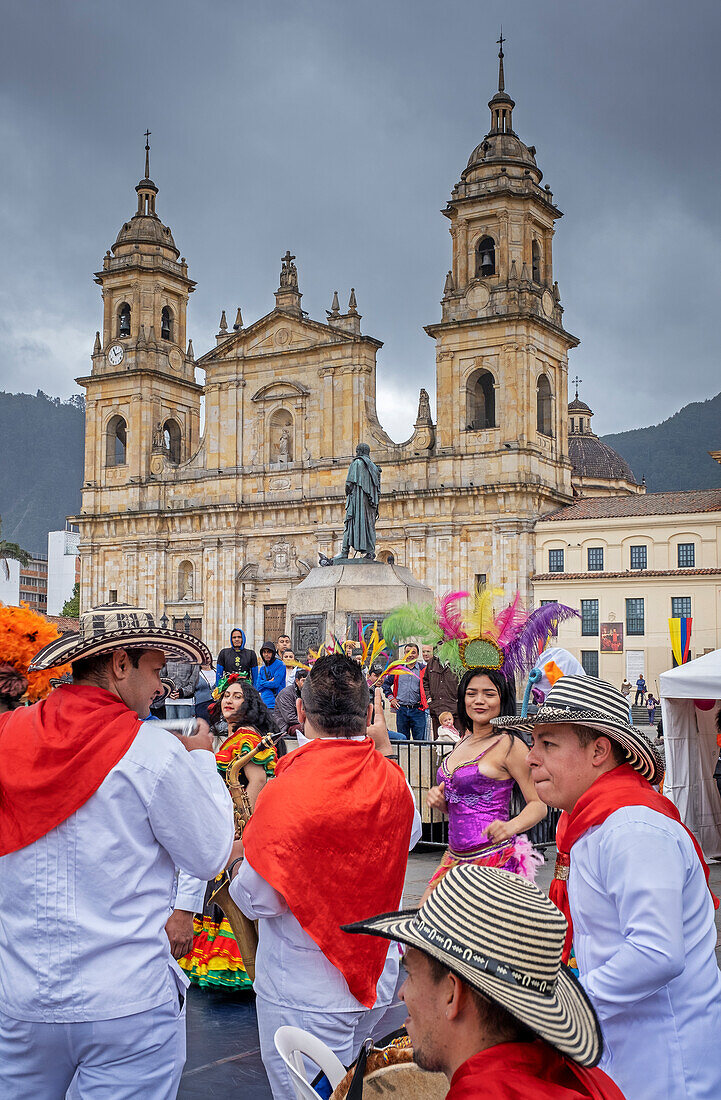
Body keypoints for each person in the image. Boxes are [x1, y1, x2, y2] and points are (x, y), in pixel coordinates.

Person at [0, 604, 234, 1099]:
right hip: (124, 1004)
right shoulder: (151, 752)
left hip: (22, 997)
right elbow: (211, 853)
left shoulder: (8, 739)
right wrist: (202, 763)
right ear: (119, 665)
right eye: (154, 669)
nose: (162, 687)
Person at [503, 674, 721, 1100]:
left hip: (666, 1066)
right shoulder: (594, 823)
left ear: (599, 751)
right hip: (629, 1049)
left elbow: (656, 952)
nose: (530, 758)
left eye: (547, 744)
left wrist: (561, 1008)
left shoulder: (632, 827)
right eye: (534, 743)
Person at [228, 653, 422, 1098]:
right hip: (375, 974)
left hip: (304, 987)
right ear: (370, 714)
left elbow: (259, 899)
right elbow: (408, 836)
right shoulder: (394, 782)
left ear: (299, 712)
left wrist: (240, 858)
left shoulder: (287, 788)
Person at [343, 864, 625, 1100]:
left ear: (452, 994)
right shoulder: (586, 1080)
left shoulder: (481, 1093)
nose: (402, 993)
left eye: (411, 976)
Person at [179, 675, 277, 990]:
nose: (229, 700)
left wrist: (248, 825)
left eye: (237, 696)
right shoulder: (236, 735)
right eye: (226, 695)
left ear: (249, 703)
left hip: (239, 823)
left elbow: (258, 780)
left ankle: (239, 963)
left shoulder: (246, 737)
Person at [424, 666, 546, 899]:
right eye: (472, 693)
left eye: (489, 694)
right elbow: (467, 805)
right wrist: (441, 803)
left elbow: (539, 804)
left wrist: (511, 826)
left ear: (502, 699)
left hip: (493, 863)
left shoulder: (510, 745)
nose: (479, 701)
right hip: (453, 861)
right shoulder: (463, 740)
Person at [386, 642, 428, 741]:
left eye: (413, 652)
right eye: (407, 652)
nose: (410, 655)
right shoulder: (398, 668)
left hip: (418, 711)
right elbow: (386, 684)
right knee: (402, 741)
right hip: (402, 710)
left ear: (418, 655)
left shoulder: (423, 670)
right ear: (404, 653)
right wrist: (391, 699)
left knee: (420, 742)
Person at [423, 642, 461, 738]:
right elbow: (425, 681)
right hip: (437, 710)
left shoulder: (458, 662)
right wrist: (429, 697)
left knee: (456, 741)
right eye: (440, 643)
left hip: (454, 710)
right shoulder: (432, 663)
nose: (442, 646)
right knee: (438, 743)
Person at [274, 666, 308, 735]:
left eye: (307, 681)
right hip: (286, 726)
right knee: (309, 729)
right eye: (303, 681)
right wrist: (308, 725)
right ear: (297, 681)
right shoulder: (286, 693)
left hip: (300, 723)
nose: (306, 684)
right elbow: (289, 718)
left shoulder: (307, 692)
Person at [253, 640, 286, 712]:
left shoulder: (280, 665)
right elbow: (258, 686)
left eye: (269, 652)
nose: (266, 654)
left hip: (276, 704)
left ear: (273, 653)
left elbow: (275, 684)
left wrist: (263, 682)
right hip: (264, 704)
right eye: (264, 652)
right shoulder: (262, 668)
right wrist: (268, 682)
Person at [165, 654, 200, 719]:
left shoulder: (193, 659)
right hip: (169, 701)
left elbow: (194, 682)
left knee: (185, 728)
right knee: (169, 728)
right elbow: (162, 678)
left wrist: (182, 692)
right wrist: (169, 691)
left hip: (186, 702)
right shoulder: (167, 657)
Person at [194, 656, 216, 724]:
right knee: (204, 726)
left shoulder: (217, 672)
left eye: (207, 659)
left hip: (216, 704)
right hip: (201, 705)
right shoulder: (196, 674)